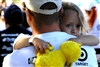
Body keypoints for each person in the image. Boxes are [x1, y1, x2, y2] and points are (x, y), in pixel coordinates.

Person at [11, 1, 99, 67]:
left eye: (78, 26)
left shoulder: (78, 40)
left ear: (28, 15)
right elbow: (17, 44)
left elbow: (96, 40)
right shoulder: (88, 50)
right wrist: (33, 40)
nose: (74, 30)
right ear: (59, 19)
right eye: (68, 25)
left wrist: (80, 39)